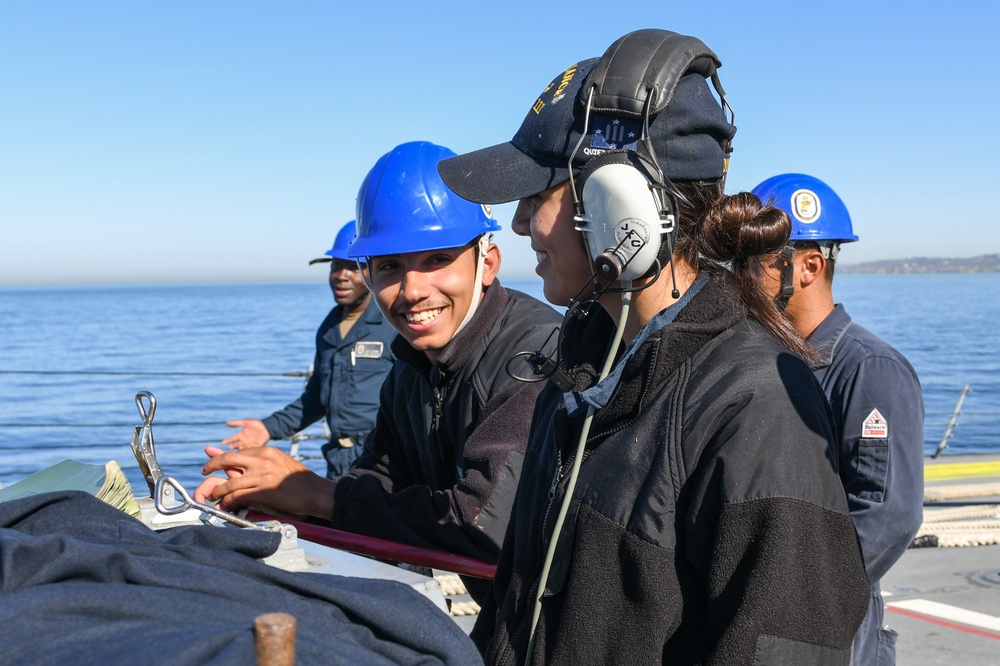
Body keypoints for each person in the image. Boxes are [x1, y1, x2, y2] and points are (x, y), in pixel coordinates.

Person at [438, 29, 870, 665]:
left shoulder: (754, 404)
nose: (519, 222)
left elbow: (788, 646)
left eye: (537, 196)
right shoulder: (576, 379)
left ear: (622, 206)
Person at [195, 141, 562, 575]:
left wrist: (318, 496)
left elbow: (489, 526)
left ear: (488, 263)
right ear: (369, 273)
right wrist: (276, 498)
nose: (411, 291)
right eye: (389, 266)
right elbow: (380, 474)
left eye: (438, 259)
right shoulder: (411, 365)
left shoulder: (534, 355)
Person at [752, 173, 925, 666]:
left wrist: (791, 598)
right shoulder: (766, 360)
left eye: (758, 264)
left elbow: (886, 514)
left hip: (829, 635)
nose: (741, 278)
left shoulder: (870, 369)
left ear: (808, 266)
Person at [221, 220, 397, 480]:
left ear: (372, 271)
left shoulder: (393, 323)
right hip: (340, 460)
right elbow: (317, 396)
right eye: (336, 266)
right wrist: (267, 428)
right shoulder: (329, 328)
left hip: (385, 459)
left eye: (352, 267)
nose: (341, 275)